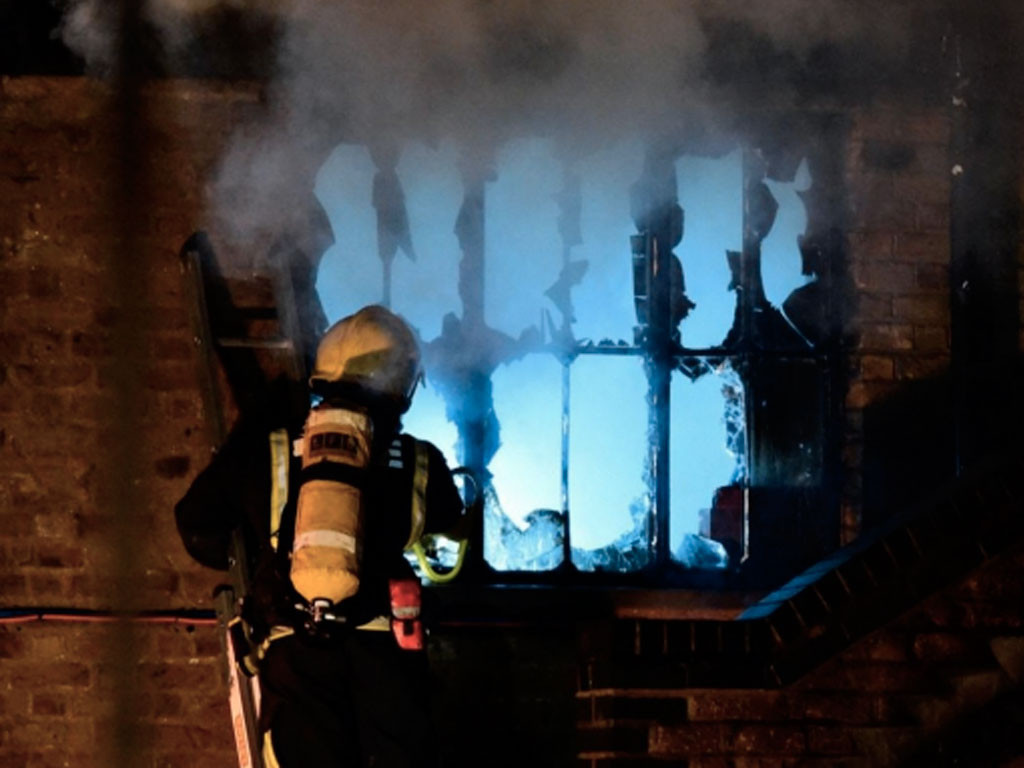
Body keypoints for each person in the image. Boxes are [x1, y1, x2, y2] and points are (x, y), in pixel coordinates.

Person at [175, 305, 466, 768]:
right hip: (385, 649)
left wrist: (275, 555)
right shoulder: (418, 460)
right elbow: (452, 521)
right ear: (400, 381)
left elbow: (197, 526)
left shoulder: (268, 446)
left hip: (296, 648)